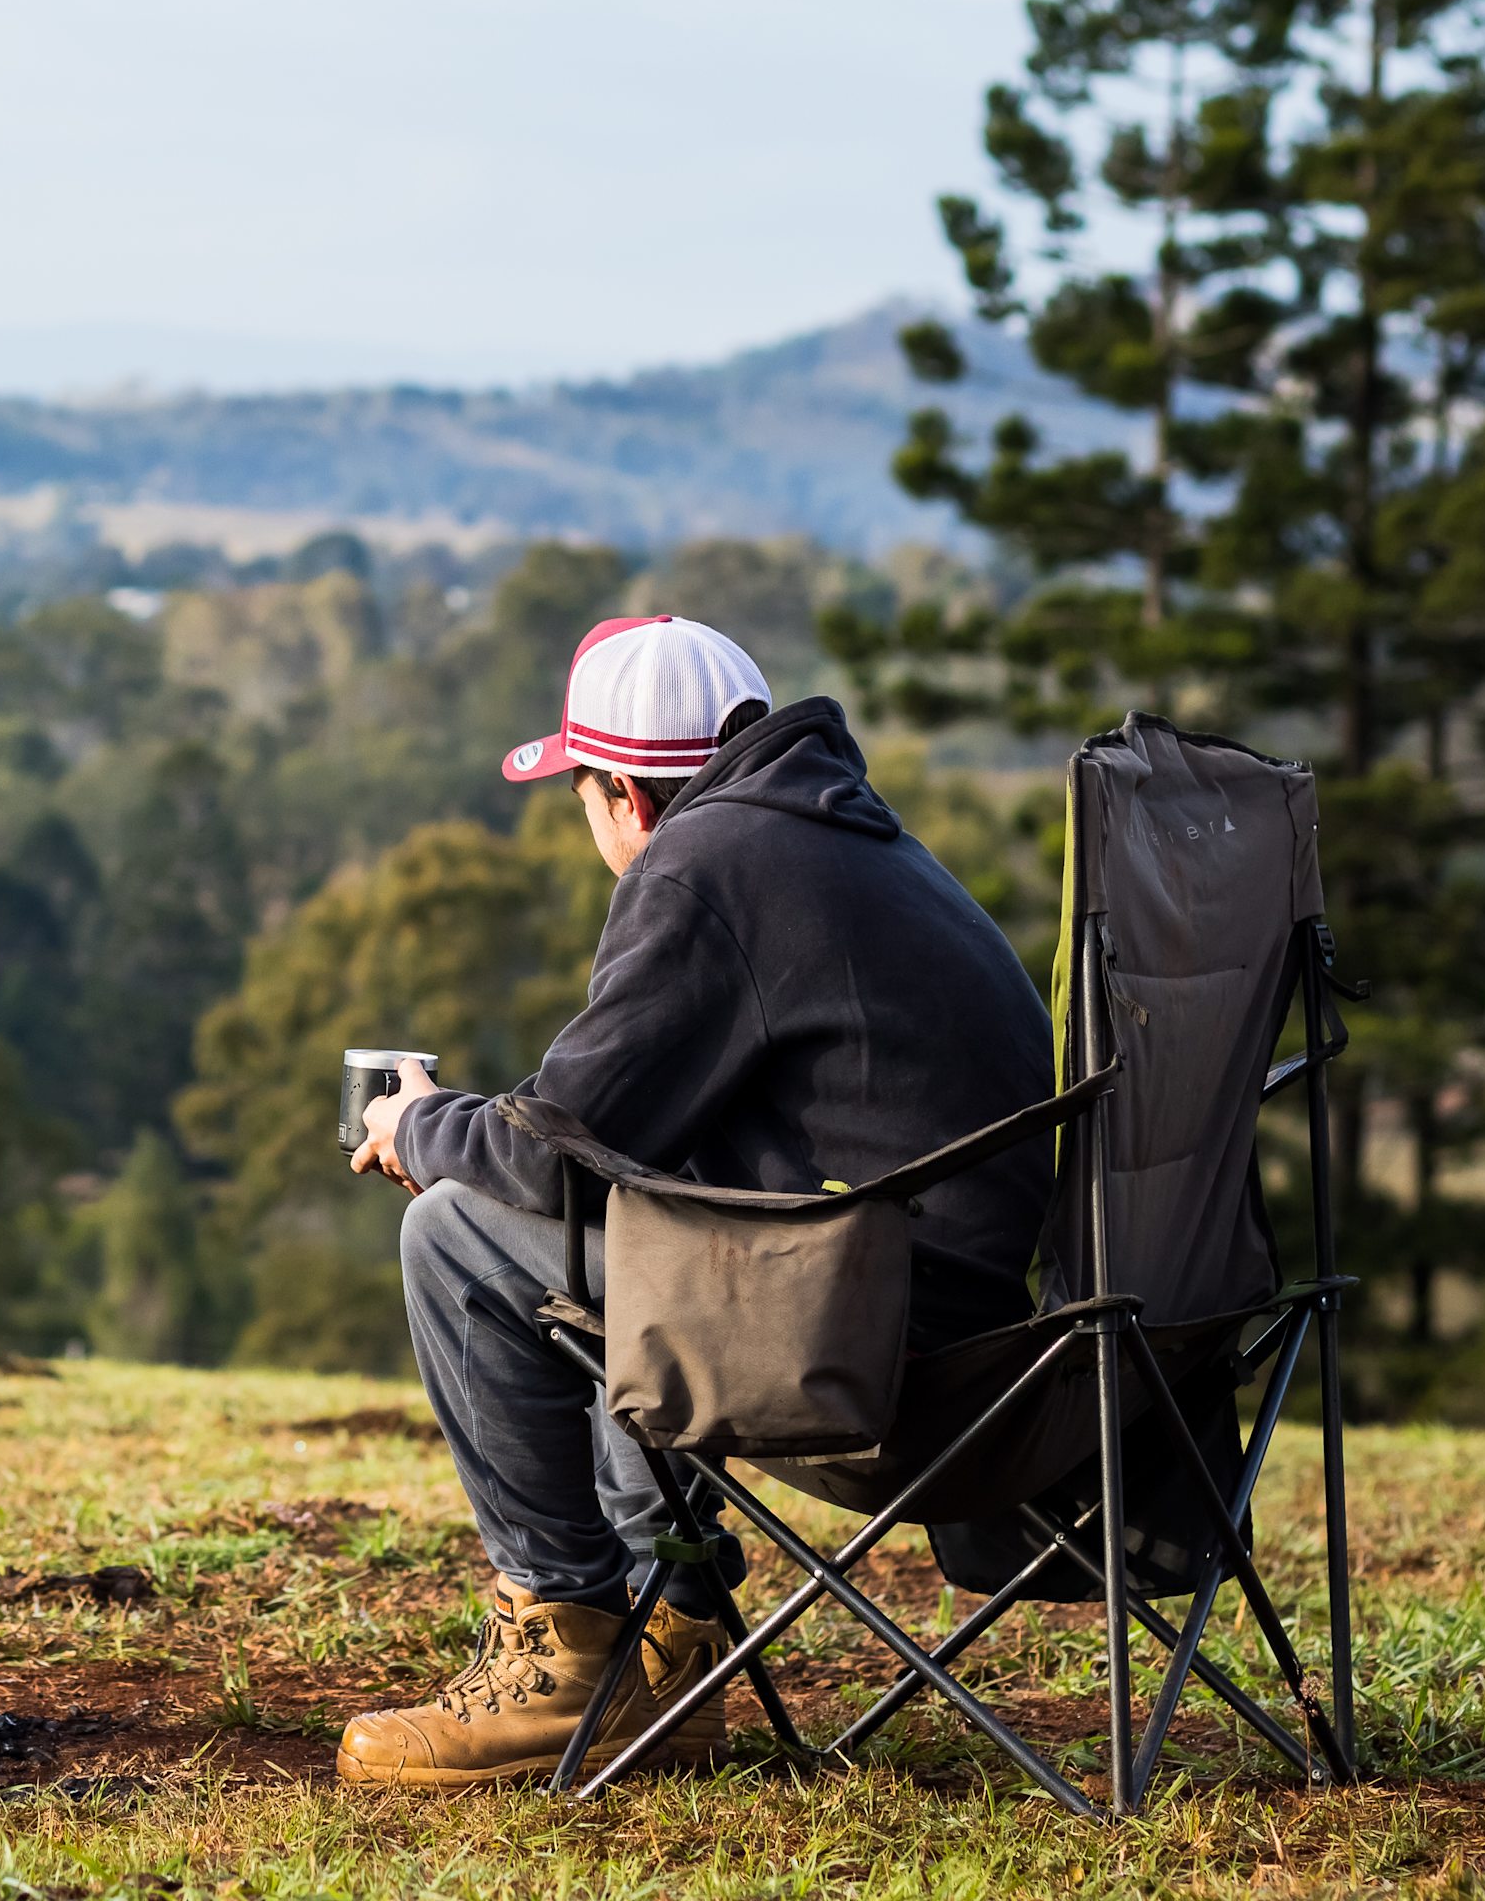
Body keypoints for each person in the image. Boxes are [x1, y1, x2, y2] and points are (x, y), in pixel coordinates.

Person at [334, 614, 1056, 1787]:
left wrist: (416, 1123)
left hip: (875, 1349)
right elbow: (616, 1152)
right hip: (997, 1344)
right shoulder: (845, 836)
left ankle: (567, 1651)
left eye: (579, 789)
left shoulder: (706, 866)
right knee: (644, 1237)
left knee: (455, 1233)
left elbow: (559, 1154)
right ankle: (669, 1625)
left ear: (624, 791)